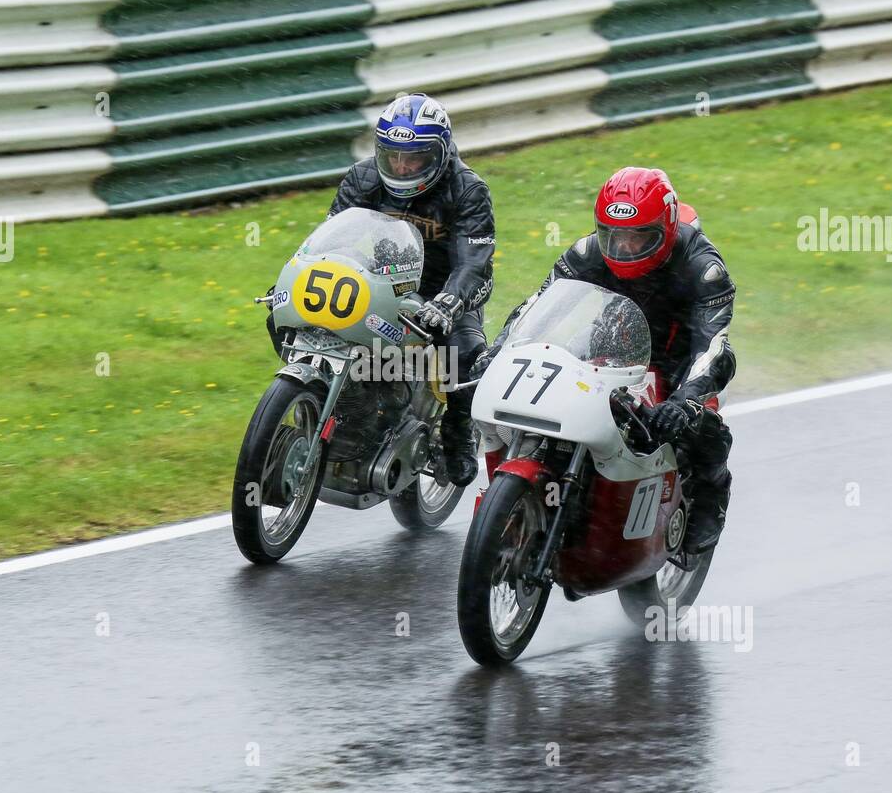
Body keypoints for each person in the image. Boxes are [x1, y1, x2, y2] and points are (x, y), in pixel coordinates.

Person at [477, 167, 736, 552]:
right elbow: (537, 306)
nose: (624, 247)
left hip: (682, 357)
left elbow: (711, 344)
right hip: (616, 341)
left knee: (702, 420)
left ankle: (711, 499)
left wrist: (685, 402)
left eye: (638, 237)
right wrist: (499, 350)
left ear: (665, 231)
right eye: (613, 236)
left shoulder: (703, 268)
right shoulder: (588, 253)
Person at [271, 92, 496, 487]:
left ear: (439, 154)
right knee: (281, 309)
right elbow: (331, 238)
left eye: (415, 158)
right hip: (381, 278)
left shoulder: (468, 190)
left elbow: (472, 263)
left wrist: (449, 302)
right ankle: (334, 393)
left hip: (446, 287)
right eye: (393, 156)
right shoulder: (363, 177)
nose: (402, 166)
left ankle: (458, 434)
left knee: (463, 355)